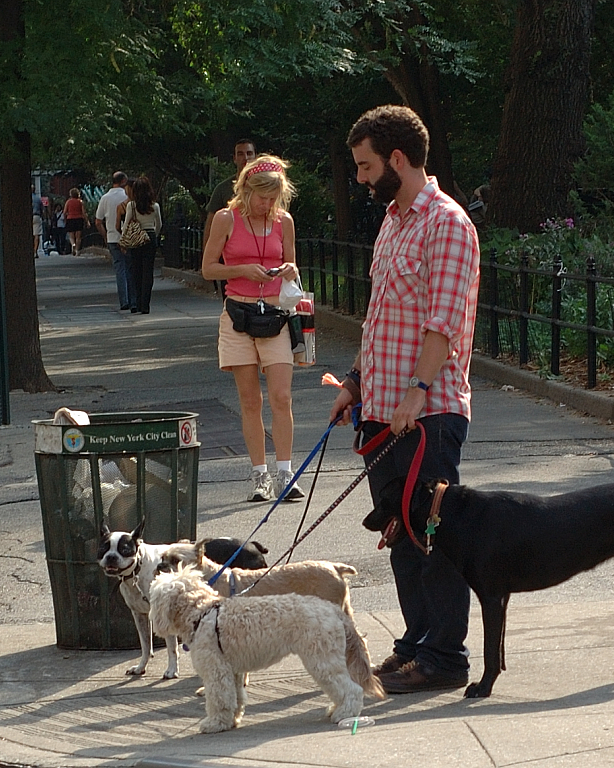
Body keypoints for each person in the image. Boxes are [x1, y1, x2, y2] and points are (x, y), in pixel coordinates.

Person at [329, 105, 481, 694]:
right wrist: (354, 384)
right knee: (400, 533)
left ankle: (445, 657)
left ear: (397, 158)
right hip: (383, 411)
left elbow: (443, 324)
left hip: (429, 412)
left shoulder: (448, 224)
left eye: (366, 166)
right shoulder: (393, 221)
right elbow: (380, 320)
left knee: (433, 540)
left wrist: (417, 391)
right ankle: (417, 642)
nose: (361, 178)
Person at [201, 154, 305, 504]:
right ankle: (259, 474)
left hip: (275, 315)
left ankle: (285, 473)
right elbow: (208, 269)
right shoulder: (226, 218)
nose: (268, 205)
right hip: (238, 317)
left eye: (274, 198)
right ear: (246, 191)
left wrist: (288, 269)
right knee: (250, 400)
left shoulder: (284, 221)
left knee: (282, 397)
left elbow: (291, 261)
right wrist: (243, 269)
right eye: (262, 197)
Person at [204, 139, 257, 299]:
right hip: (230, 257)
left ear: (256, 156)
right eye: (240, 154)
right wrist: (207, 256)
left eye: (249, 153)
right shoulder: (223, 189)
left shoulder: (265, 187)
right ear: (234, 158)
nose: (245, 158)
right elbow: (210, 223)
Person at [121, 176, 162, 315]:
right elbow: (159, 224)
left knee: (136, 271)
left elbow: (126, 224)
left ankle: (137, 302)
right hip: (150, 236)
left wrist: (124, 240)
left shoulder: (131, 206)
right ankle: (146, 305)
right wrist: (153, 235)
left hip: (136, 237)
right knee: (147, 272)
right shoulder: (154, 206)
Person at [95, 172, 135, 311]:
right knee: (130, 268)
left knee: (120, 269)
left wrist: (105, 236)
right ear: (124, 180)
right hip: (128, 237)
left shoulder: (105, 198)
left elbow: (98, 221)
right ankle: (133, 300)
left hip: (112, 237)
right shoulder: (128, 197)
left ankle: (123, 300)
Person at [63, 187, 90, 255]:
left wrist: (65, 219)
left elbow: (64, 212)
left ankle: (73, 244)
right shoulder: (80, 202)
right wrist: (87, 221)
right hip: (79, 219)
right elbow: (84, 212)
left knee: (71, 236)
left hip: (70, 218)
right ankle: (77, 250)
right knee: (78, 237)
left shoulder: (68, 202)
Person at [32, 186, 44, 258]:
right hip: (37, 216)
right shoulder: (38, 199)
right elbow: (42, 209)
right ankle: (35, 251)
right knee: (37, 234)